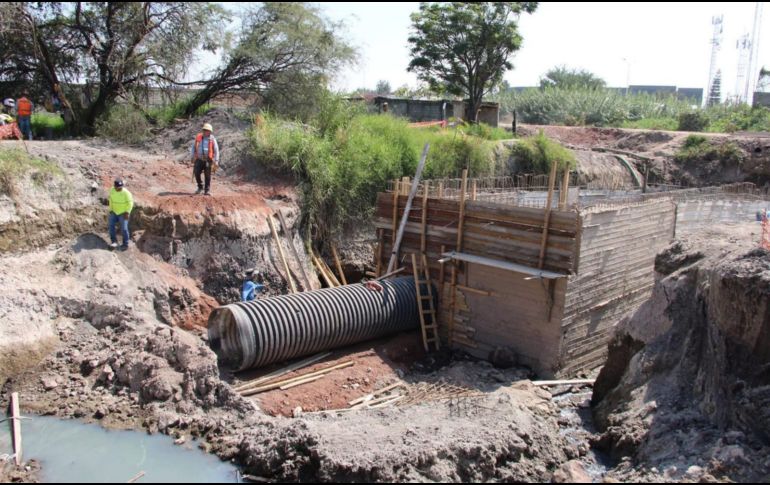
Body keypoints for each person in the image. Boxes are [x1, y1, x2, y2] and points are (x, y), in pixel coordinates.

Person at [189, 123, 220, 196]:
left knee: (207, 175)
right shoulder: (198, 137)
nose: (205, 131)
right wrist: (192, 156)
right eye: (204, 130)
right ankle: (200, 187)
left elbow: (216, 150)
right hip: (199, 159)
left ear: (210, 131)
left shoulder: (212, 139)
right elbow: (193, 147)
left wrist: (216, 161)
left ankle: (207, 190)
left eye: (207, 130)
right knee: (196, 173)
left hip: (208, 160)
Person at [108, 178, 133, 251]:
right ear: (114, 186)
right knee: (111, 226)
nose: (119, 189)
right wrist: (111, 210)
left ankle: (125, 244)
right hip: (114, 212)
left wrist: (127, 212)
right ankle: (114, 241)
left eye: (121, 187)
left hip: (123, 213)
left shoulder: (126, 193)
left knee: (124, 229)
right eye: (118, 188)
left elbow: (130, 203)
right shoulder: (112, 190)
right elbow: (111, 200)